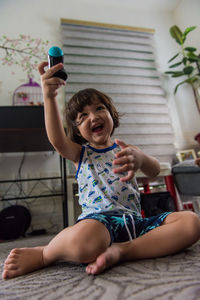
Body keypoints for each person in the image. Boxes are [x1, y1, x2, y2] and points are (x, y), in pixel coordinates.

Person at [2, 62, 200, 280]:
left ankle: (124, 251)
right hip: (98, 223)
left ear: (112, 116)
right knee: (84, 244)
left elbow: (154, 170)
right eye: (83, 116)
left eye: (99, 109)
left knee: (191, 222)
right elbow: (57, 140)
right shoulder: (80, 154)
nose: (93, 116)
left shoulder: (127, 149)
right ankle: (45, 253)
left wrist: (141, 158)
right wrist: (48, 97)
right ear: (77, 130)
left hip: (135, 222)